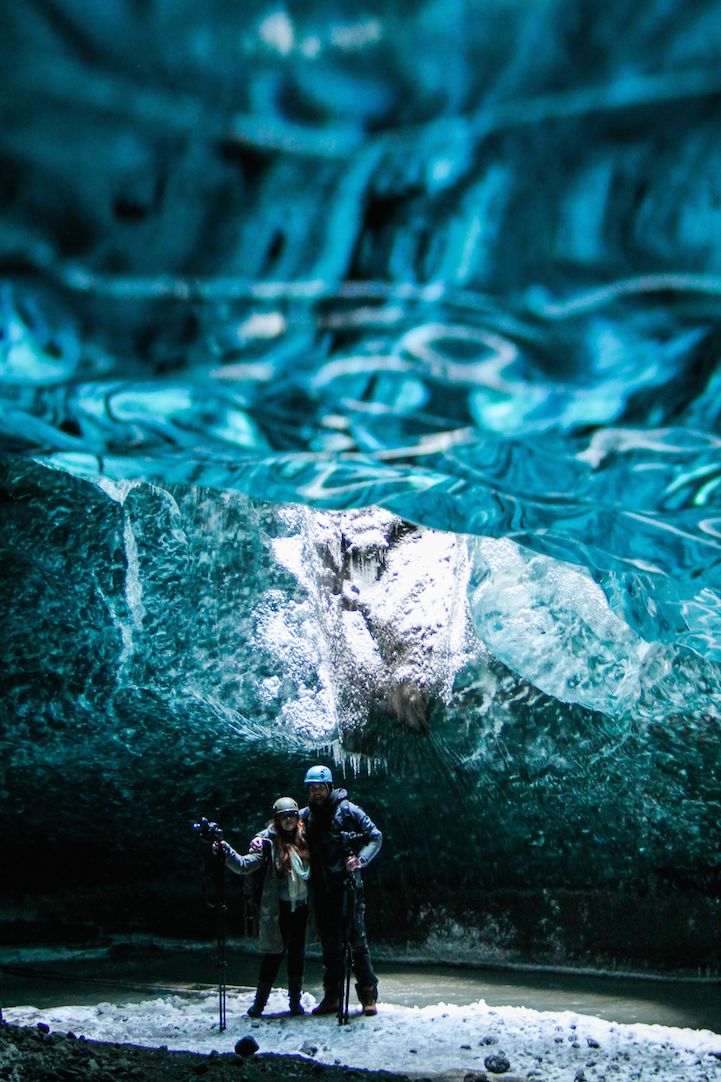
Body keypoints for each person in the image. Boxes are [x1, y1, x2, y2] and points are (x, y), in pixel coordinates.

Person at [214, 796, 311, 1018]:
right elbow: (244, 865)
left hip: (302, 907)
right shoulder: (267, 843)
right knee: (273, 955)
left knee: (298, 954)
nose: (288, 820)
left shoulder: (305, 838)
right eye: (283, 817)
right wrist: (226, 851)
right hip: (278, 910)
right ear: (276, 819)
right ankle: (259, 1004)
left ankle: (295, 1003)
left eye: (292, 816)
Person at [301, 764, 382, 1017]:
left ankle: (368, 994)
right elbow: (282, 827)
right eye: (311, 789)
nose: (315, 793)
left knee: (357, 943)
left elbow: (375, 836)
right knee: (330, 945)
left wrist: (360, 860)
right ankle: (332, 996)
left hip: (348, 889)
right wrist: (261, 838)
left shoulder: (348, 810)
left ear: (328, 787)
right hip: (323, 890)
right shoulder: (306, 815)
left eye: (319, 788)